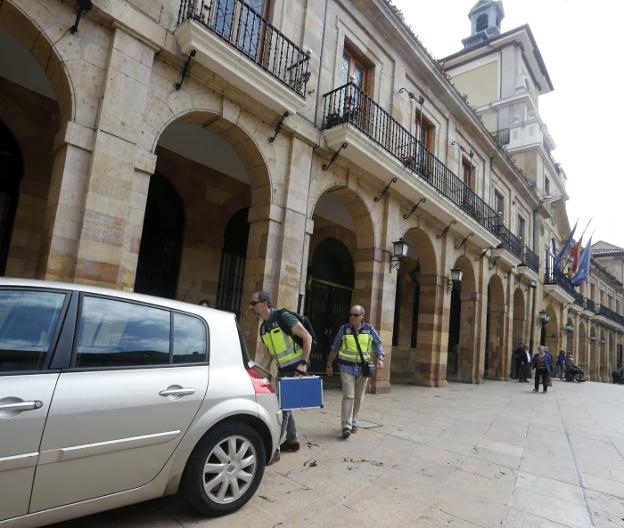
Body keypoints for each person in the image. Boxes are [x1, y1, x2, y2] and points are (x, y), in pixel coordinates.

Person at [249, 291, 312, 463]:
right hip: (283, 370)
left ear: (264, 303)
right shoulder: (264, 327)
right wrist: (259, 372)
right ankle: (293, 440)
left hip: (295, 369)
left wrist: (303, 363)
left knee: (282, 409)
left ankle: (274, 449)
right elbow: (269, 353)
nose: (250, 307)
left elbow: (307, 337)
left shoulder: (283, 317)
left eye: (253, 303)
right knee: (285, 406)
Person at [325, 305, 384, 439]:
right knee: (349, 396)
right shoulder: (344, 329)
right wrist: (329, 365)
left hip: (363, 369)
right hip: (346, 368)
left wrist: (380, 358)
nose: (352, 317)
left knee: (359, 397)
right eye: (351, 314)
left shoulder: (369, 329)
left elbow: (378, 344)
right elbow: (335, 347)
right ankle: (346, 425)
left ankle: (354, 420)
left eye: (355, 315)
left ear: (362, 316)